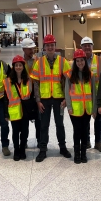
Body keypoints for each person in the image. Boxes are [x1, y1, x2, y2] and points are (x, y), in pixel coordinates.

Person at [30, 34, 72, 162]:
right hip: (44, 99)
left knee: (60, 124)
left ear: (55, 46)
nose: (50, 47)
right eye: (48, 45)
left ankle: (63, 147)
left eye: (52, 45)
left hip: (59, 98)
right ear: (44, 47)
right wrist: (38, 100)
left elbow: (68, 81)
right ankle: (43, 149)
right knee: (44, 125)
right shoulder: (39, 62)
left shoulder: (62, 61)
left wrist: (66, 98)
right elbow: (36, 83)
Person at [66, 49, 96, 164]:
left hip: (86, 109)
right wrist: (69, 107)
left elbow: (93, 92)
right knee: (77, 131)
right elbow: (67, 93)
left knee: (85, 131)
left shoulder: (90, 75)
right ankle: (77, 154)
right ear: (75, 62)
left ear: (85, 61)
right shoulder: (70, 75)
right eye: (77, 61)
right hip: (75, 110)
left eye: (82, 60)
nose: (80, 63)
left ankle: (84, 153)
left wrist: (94, 109)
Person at [3, 55, 34, 161]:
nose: (18, 67)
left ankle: (22, 149)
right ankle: (16, 149)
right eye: (16, 65)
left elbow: (32, 96)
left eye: (20, 65)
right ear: (13, 67)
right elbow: (5, 99)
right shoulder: (8, 81)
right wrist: (5, 113)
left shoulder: (29, 80)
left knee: (25, 131)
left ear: (23, 66)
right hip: (14, 111)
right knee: (15, 132)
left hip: (25, 111)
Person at [80, 36, 101, 153]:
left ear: (92, 47)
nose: (87, 48)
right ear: (81, 47)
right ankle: (86, 141)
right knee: (85, 119)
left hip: (97, 95)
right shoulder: (78, 61)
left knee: (98, 119)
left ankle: (98, 142)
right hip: (83, 95)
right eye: (84, 46)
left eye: (89, 45)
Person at [22, 37, 40, 146]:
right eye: (29, 49)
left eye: (33, 48)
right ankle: (24, 141)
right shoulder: (19, 62)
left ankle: (39, 140)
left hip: (36, 93)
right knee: (24, 120)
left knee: (38, 120)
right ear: (24, 49)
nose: (32, 51)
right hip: (24, 95)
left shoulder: (38, 61)